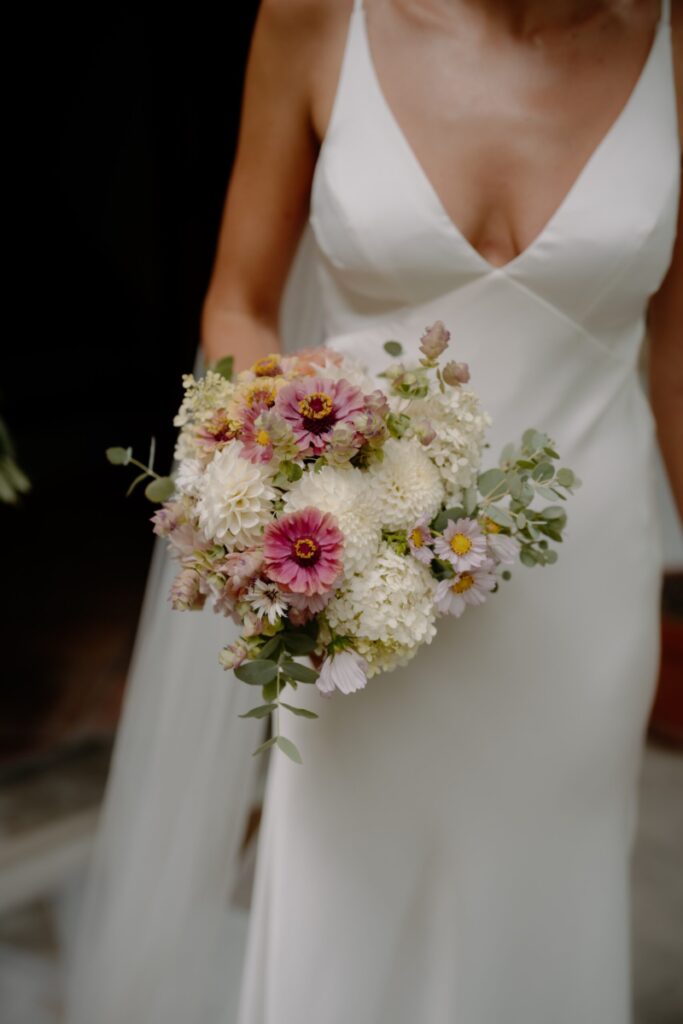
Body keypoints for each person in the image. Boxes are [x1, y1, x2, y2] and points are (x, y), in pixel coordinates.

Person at [66, 1, 682, 1022]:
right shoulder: (315, 19)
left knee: (540, 907)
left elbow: (676, 352)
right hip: (352, 583)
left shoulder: (667, 40)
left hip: (579, 605)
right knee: (346, 910)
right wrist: (268, 475)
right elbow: (238, 300)